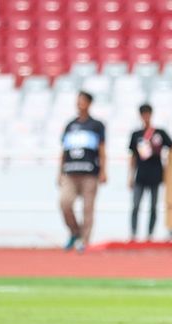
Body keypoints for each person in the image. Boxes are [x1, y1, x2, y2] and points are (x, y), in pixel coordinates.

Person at [59, 91, 106, 253]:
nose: (79, 104)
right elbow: (64, 150)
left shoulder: (96, 125)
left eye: (83, 101)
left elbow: (102, 149)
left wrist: (103, 171)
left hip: (89, 173)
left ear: (89, 103)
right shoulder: (70, 125)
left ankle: (84, 240)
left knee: (88, 208)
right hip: (70, 173)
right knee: (65, 203)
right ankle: (74, 232)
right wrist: (60, 172)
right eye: (78, 101)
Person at [128, 104, 172, 242]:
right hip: (141, 174)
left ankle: (149, 235)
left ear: (151, 114)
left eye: (148, 113)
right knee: (136, 205)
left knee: (153, 206)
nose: (146, 117)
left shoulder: (159, 133)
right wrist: (130, 176)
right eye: (143, 114)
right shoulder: (136, 135)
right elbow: (132, 156)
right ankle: (133, 234)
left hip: (156, 174)